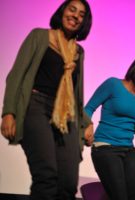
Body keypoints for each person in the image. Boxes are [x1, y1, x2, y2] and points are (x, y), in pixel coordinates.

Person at [0, 1, 93, 199]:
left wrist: (86, 123)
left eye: (81, 14)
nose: (76, 16)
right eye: (72, 10)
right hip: (36, 106)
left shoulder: (79, 52)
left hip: (66, 115)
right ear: (62, 11)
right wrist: (9, 112)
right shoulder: (39, 36)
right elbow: (16, 75)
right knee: (47, 176)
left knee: (68, 182)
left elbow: (75, 94)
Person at [84, 54, 135, 200]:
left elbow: (134, 127)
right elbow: (88, 108)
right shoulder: (113, 84)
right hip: (105, 147)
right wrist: (88, 125)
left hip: (128, 149)